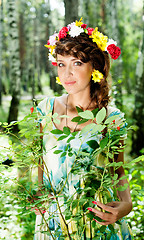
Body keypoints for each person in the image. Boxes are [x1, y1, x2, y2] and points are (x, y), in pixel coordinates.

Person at [33, 18, 133, 239]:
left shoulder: (111, 118)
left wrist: (127, 205)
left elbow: (118, 170)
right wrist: (37, 191)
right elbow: (39, 160)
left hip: (97, 219)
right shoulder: (46, 110)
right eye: (61, 63)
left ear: (94, 66)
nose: (67, 73)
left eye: (76, 63)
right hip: (54, 218)